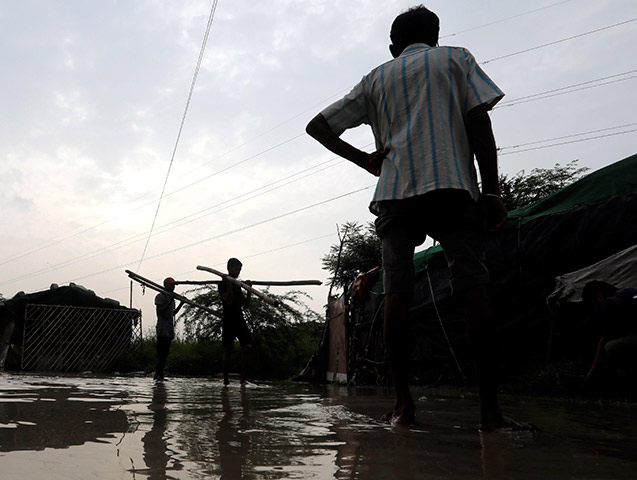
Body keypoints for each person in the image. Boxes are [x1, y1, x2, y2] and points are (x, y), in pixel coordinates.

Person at [306, 5, 530, 431]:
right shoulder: (455, 59)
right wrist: (492, 191)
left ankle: (404, 408)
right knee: (474, 288)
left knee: (396, 294)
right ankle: (490, 414)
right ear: (436, 37)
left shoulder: (376, 78)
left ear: (393, 47)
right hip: (452, 187)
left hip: (395, 195)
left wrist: (367, 161)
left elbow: (318, 126)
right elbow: (478, 121)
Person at [582, 280, 637, 382]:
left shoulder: (609, 302)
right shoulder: (629, 291)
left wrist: (592, 371)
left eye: (593, 303)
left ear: (598, 296)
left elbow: (604, 339)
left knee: (611, 347)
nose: (595, 308)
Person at [218, 257, 252, 386]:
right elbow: (228, 300)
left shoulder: (238, 286)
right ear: (229, 269)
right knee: (228, 350)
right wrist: (229, 285)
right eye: (236, 269)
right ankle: (226, 380)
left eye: (239, 270)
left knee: (247, 346)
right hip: (228, 320)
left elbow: (246, 305)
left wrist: (248, 290)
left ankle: (243, 380)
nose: (238, 272)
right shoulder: (222, 284)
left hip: (239, 319)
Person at [154, 277, 182, 381]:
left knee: (165, 354)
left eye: (174, 285)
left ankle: (159, 375)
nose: (173, 287)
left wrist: (181, 304)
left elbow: (172, 313)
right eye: (171, 285)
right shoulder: (160, 296)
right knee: (161, 354)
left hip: (169, 328)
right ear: (166, 285)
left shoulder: (171, 299)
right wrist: (170, 301)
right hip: (162, 328)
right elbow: (160, 311)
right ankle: (158, 375)